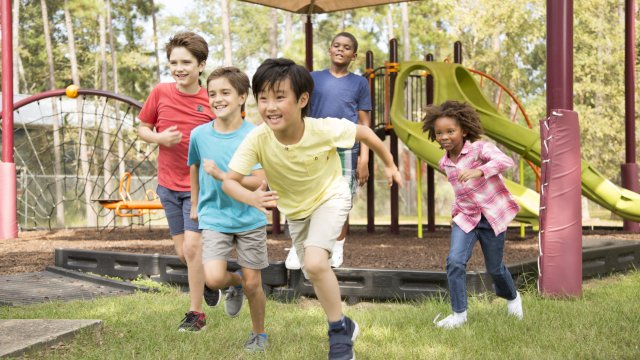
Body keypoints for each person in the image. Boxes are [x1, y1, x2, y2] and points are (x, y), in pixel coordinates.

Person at [222, 58, 402, 360]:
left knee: (317, 263)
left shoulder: (322, 129)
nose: (270, 106)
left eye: (280, 97)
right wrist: (251, 197)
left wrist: (390, 165)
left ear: (302, 99)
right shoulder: (258, 138)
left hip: (331, 196)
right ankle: (346, 323)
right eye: (263, 98)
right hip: (297, 211)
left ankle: (339, 339)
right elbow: (230, 181)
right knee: (312, 271)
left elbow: (367, 134)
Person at [137, 31, 221, 332]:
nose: (179, 68)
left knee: (193, 248)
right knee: (183, 252)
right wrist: (159, 137)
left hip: (200, 188)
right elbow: (143, 127)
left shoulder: (212, 98)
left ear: (201, 65)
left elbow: (229, 133)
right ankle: (212, 283)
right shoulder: (160, 92)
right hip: (168, 184)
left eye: (186, 62)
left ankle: (195, 314)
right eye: (174, 62)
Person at [421, 100, 524, 329]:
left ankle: (513, 298)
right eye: (439, 133)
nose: (444, 136)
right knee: (455, 261)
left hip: (491, 216)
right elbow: (459, 192)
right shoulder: (444, 163)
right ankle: (459, 315)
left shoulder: (479, 148)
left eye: (450, 131)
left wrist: (480, 170)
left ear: (463, 130)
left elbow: (505, 161)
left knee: (495, 269)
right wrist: (455, 214)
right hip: (466, 218)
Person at [187, 66, 270, 351]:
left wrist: (224, 175)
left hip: (249, 217)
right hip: (214, 217)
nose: (217, 99)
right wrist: (195, 202)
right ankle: (233, 284)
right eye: (212, 94)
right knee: (212, 277)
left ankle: (259, 335)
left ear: (242, 97)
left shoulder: (256, 135)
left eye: (225, 93)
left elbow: (259, 181)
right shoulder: (199, 134)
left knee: (254, 284)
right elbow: (194, 167)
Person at [285, 31, 372, 270]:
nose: (340, 49)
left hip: (346, 149)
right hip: (314, 147)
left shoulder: (359, 83)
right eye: (336, 45)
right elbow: (299, 110)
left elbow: (364, 124)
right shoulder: (313, 78)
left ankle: (337, 247)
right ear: (329, 50)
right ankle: (299, 246)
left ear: (354, 55)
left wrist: (364, 158)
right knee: (306, 196)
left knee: (341, 201)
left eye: (346, 47)